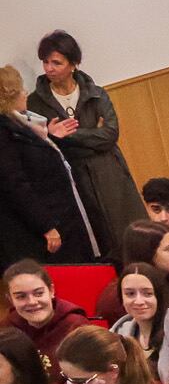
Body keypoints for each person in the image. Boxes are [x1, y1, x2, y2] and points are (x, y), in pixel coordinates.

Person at [27, 31, 140, 244]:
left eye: (56, 63)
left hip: (109, 170)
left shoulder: (95, 92)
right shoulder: (35, 102)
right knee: (95, 237)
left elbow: (109, 135)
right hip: (72, 174)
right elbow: (40, 146)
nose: (49, 68)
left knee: (127, 231)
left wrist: (66, 135)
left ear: (73, 64)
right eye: (45, 62)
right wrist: (52, 134)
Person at [0, 65, 99, 265]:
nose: (25, 93)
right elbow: (15, 185)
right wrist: (46, 226)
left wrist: (52, 138)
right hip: (42, 230)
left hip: (59, 219)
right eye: (20, 88)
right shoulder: (5, 132)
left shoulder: (19, 125)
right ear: (10, 96)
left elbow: (37, 163)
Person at [109, 262, 169, 384]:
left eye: (147, 293)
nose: (138, 301)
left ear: (159, 295)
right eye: (130, 294)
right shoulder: (119, 331)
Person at [2, 259, 91, 358]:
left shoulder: (76, 327)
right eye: (21, 296)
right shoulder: (6, 330)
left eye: (39, 293)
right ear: (10, 299)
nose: (32, 302)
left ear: (51, 291)